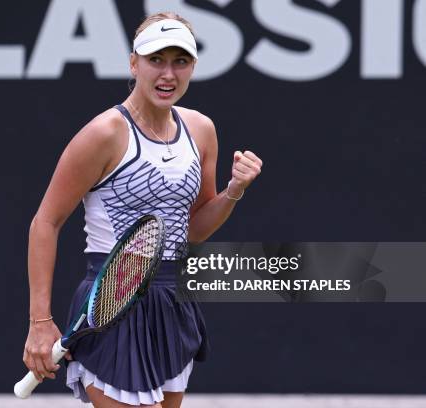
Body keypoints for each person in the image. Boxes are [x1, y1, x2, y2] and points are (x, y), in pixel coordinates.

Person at [23, 11, 263, 408]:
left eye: (180, 62)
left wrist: (233, 191)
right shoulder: (103, 134)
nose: (167, 74)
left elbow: (193, 230)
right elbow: (45, 223)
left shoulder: (201, 130)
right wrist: (39, 322)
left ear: (193, 68)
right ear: (133, 63)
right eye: (156, 60)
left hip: (172, 303)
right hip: (111, 303)